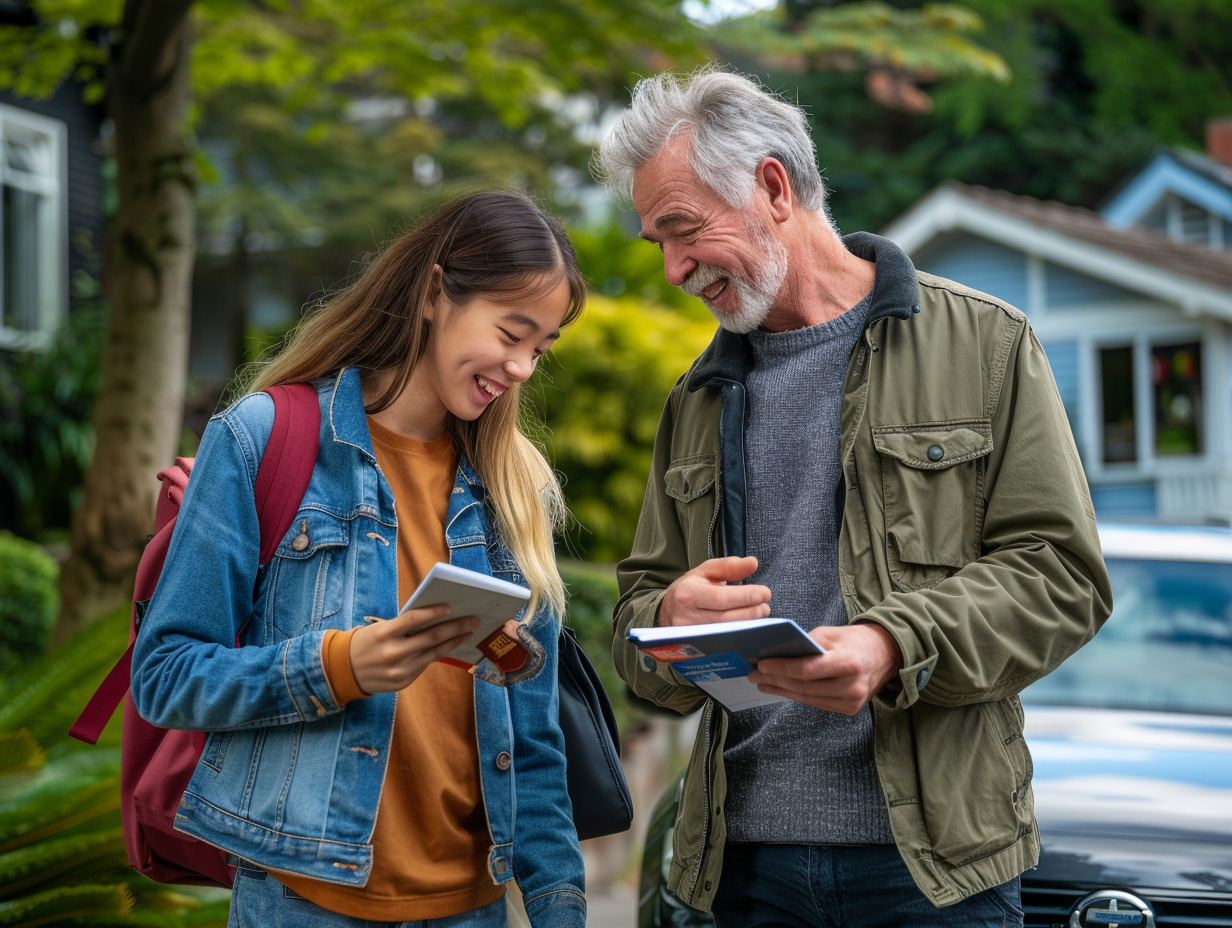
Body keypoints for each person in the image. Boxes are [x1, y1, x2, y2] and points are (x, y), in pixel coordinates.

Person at [595, 68, 1112, 928]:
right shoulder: (695, 399)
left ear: (771, 187)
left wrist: (892, 643)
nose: (674, 269)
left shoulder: (987, 343)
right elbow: (635, 626)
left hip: (936, 875)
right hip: (738, 874)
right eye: (657, 243)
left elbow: (1062, 577)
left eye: (682, 231)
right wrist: (669, 622)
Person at [130, 190, 588, 928]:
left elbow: (533, 740)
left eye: (541, 347)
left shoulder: (514, 484)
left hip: (472, 909)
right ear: (436, 292)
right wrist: (341, 666)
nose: (523, 367)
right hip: (303, 900)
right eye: (512, 332)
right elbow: (166, 675)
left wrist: (560, 906)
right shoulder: (262, 437)